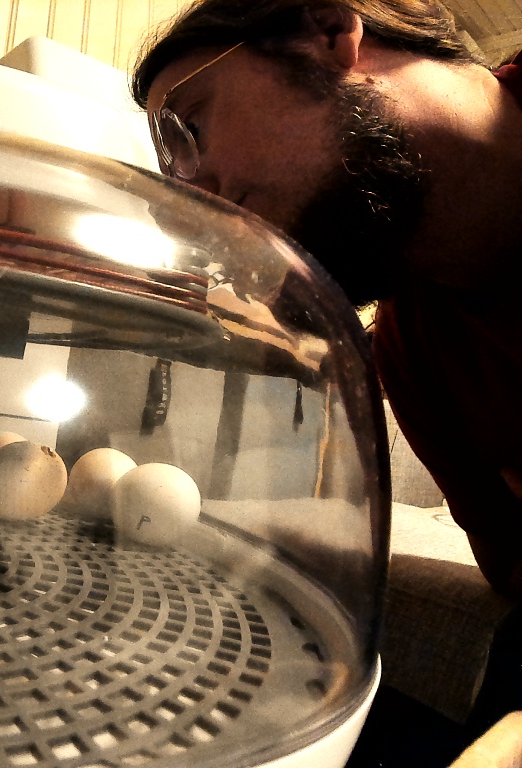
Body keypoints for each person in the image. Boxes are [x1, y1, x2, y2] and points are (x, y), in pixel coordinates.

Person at [132, 2, 522, 765]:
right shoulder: (413, 353)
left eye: (190, 127)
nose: (195, 199)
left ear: (329, 31)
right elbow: (510, 564)